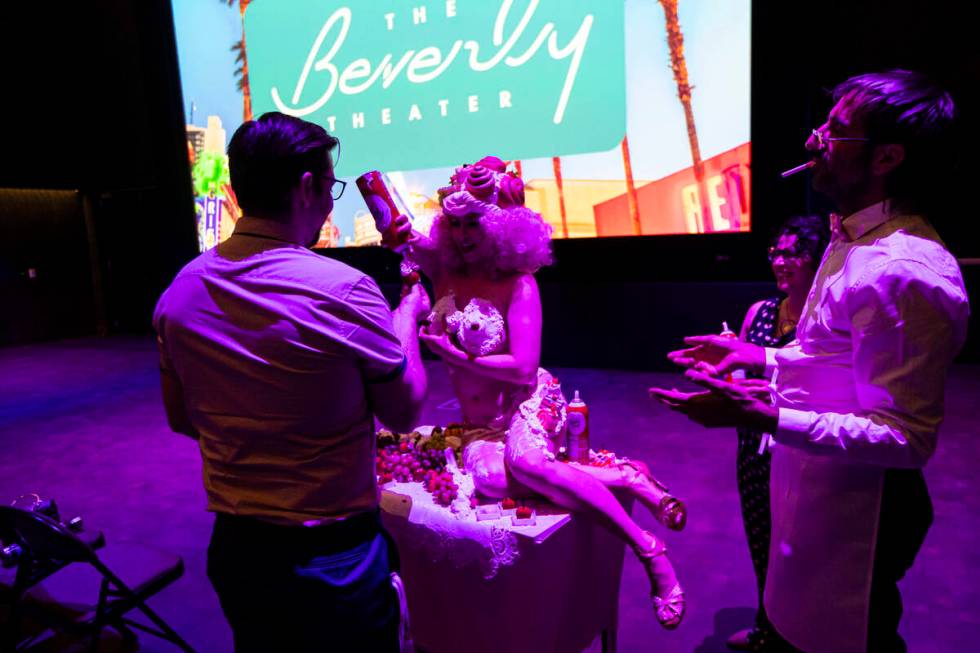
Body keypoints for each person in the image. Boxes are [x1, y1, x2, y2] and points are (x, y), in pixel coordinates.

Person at [652, 70, 969, 652]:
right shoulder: (852, 239)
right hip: (818, 488)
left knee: (848, 635)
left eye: (835, 130)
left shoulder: (904, 269)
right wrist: (757, 357)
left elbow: (905, 438)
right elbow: (835, 361)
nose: (812, 140)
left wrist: (768, 417)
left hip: (864, 512)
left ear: (887, 157)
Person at [153, 112, 429, 652]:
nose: (331, 201)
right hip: (335, 555)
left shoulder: (178, 295)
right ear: (307, 188)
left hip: (238, 550)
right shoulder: (344, 290)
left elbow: (182, 419)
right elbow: (405, 411)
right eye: (330, 187)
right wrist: (409, 319)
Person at [383, 157, 687, 628]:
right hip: (481, 423)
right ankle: (623, 477)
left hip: (529, 399)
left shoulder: (519, 283)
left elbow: (523, 366)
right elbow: (397, 230)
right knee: (488, 481)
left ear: (501, 226)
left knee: (527, 462)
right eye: (456, 223)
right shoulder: (442, 267)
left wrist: (452, 354)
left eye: (475, 224)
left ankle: (648, 549)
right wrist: (393, 231)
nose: (464, 235)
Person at [726, 215, 829, 652]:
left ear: (818, 258)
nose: (781, 262)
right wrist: (725, 371)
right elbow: (741, 375)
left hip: (800, 442)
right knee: (761, 536)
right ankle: (766, 627)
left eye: (793, 253)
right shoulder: (761, 311)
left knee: (804, 546)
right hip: (755, 444)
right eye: (776, 253)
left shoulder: (826, 317)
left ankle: (805, 634)